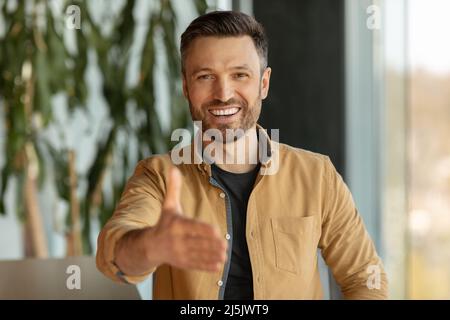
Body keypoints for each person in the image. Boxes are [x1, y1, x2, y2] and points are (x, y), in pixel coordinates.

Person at [96, 11, 388, 299]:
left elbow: (366, 278)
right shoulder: (158, 176)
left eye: (239, 75)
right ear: (186, 87)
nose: (223, 93)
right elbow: (113, 258)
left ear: (263, 83)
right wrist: (152, 245)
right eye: (205, 76)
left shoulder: (317, 176)